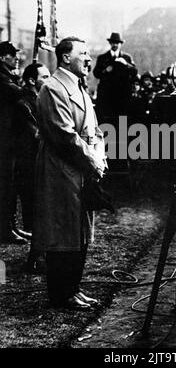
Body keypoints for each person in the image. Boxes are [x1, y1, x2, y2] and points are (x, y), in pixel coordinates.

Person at [34, 37, 107, 309]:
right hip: (61, 171)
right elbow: (65, 135)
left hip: (81, 169)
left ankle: (74, 289)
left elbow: (95, 130)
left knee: (80, 232)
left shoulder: (79, 87)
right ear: (65, 57)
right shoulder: (53, 88)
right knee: (62, 232)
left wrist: (99, 154)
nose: (89, 58)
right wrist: (93, 160)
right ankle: (62, 294)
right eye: (83, 53)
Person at [12, 63, 50, 271]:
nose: (49, 79)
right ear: (31, 80)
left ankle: (38, 256)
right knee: (36, 211)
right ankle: (36, 258)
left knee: (41, 210)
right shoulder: (23, 103)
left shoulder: (40, 100)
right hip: (28, 165)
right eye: (45, 76)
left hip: (37, 162)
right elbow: (35, 134)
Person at [0, 41, 26, 244]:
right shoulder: (2, 79)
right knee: (5, 185)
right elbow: (17, 93)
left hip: (9, 139)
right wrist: (25, 82)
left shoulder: (8, 77)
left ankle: (10, 225)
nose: (16, 57)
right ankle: (5, 229)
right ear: (2, 58)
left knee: (10, 185)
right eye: (12, 55)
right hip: (3, 140)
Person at [93, 32, 137, 122]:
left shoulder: (127, 58)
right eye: (113, 43)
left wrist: (125, 64)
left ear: (120, 44)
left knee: (122, 120)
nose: (115, 45)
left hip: (123, 96)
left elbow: (135, 72)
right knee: (107, 120)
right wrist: (105, 70)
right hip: (107, 96)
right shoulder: (102, 58)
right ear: (110, 43)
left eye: (117, 43)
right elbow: (96, 73)